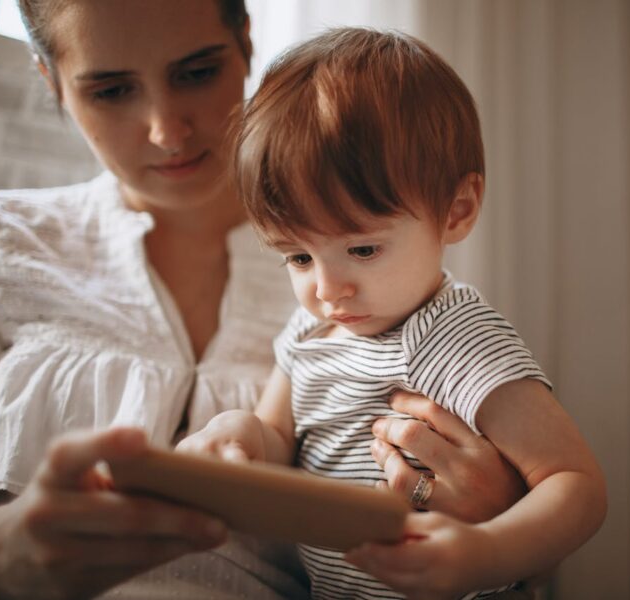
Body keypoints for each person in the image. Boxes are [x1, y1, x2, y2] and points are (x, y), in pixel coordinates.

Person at [0, 2, 528, 599]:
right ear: (50, 79)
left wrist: (504, 526)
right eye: (110, 90)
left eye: (196, 73)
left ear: (244, 42)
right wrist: (6, 552)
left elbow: (540, 535)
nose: (167, 130)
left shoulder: (385, 279)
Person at [179, 27, 608, 600]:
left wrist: (488, 552)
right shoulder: (310, 330)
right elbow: (280, 438)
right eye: (299, 256)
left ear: (456, 210)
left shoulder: (452, 334)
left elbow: (575, 484)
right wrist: (237, 434)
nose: (329, 290)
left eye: (362, 250)